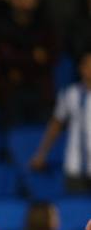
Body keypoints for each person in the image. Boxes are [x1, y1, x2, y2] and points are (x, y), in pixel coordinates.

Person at [29, 50, 91, 193]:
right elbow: (56, 124)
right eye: (88, 65)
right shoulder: (70, 94)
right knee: (76, 210)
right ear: (81, 68)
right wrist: (41, 154)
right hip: (74, 165)